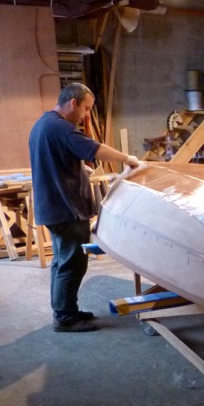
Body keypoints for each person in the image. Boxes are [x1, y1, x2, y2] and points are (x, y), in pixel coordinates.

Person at [29, 83, 140, 332]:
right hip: (66, 209)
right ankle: (66, 319)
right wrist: (127, 159)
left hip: (52, 207)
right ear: (73, 103)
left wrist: (79, 168)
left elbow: (55, 159)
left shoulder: (42, 124)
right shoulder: (62, 128)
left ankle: (65, 310)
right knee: (73, 263)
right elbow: (95, 149)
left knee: (61, 262)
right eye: (86, 108)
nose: (86, 115)